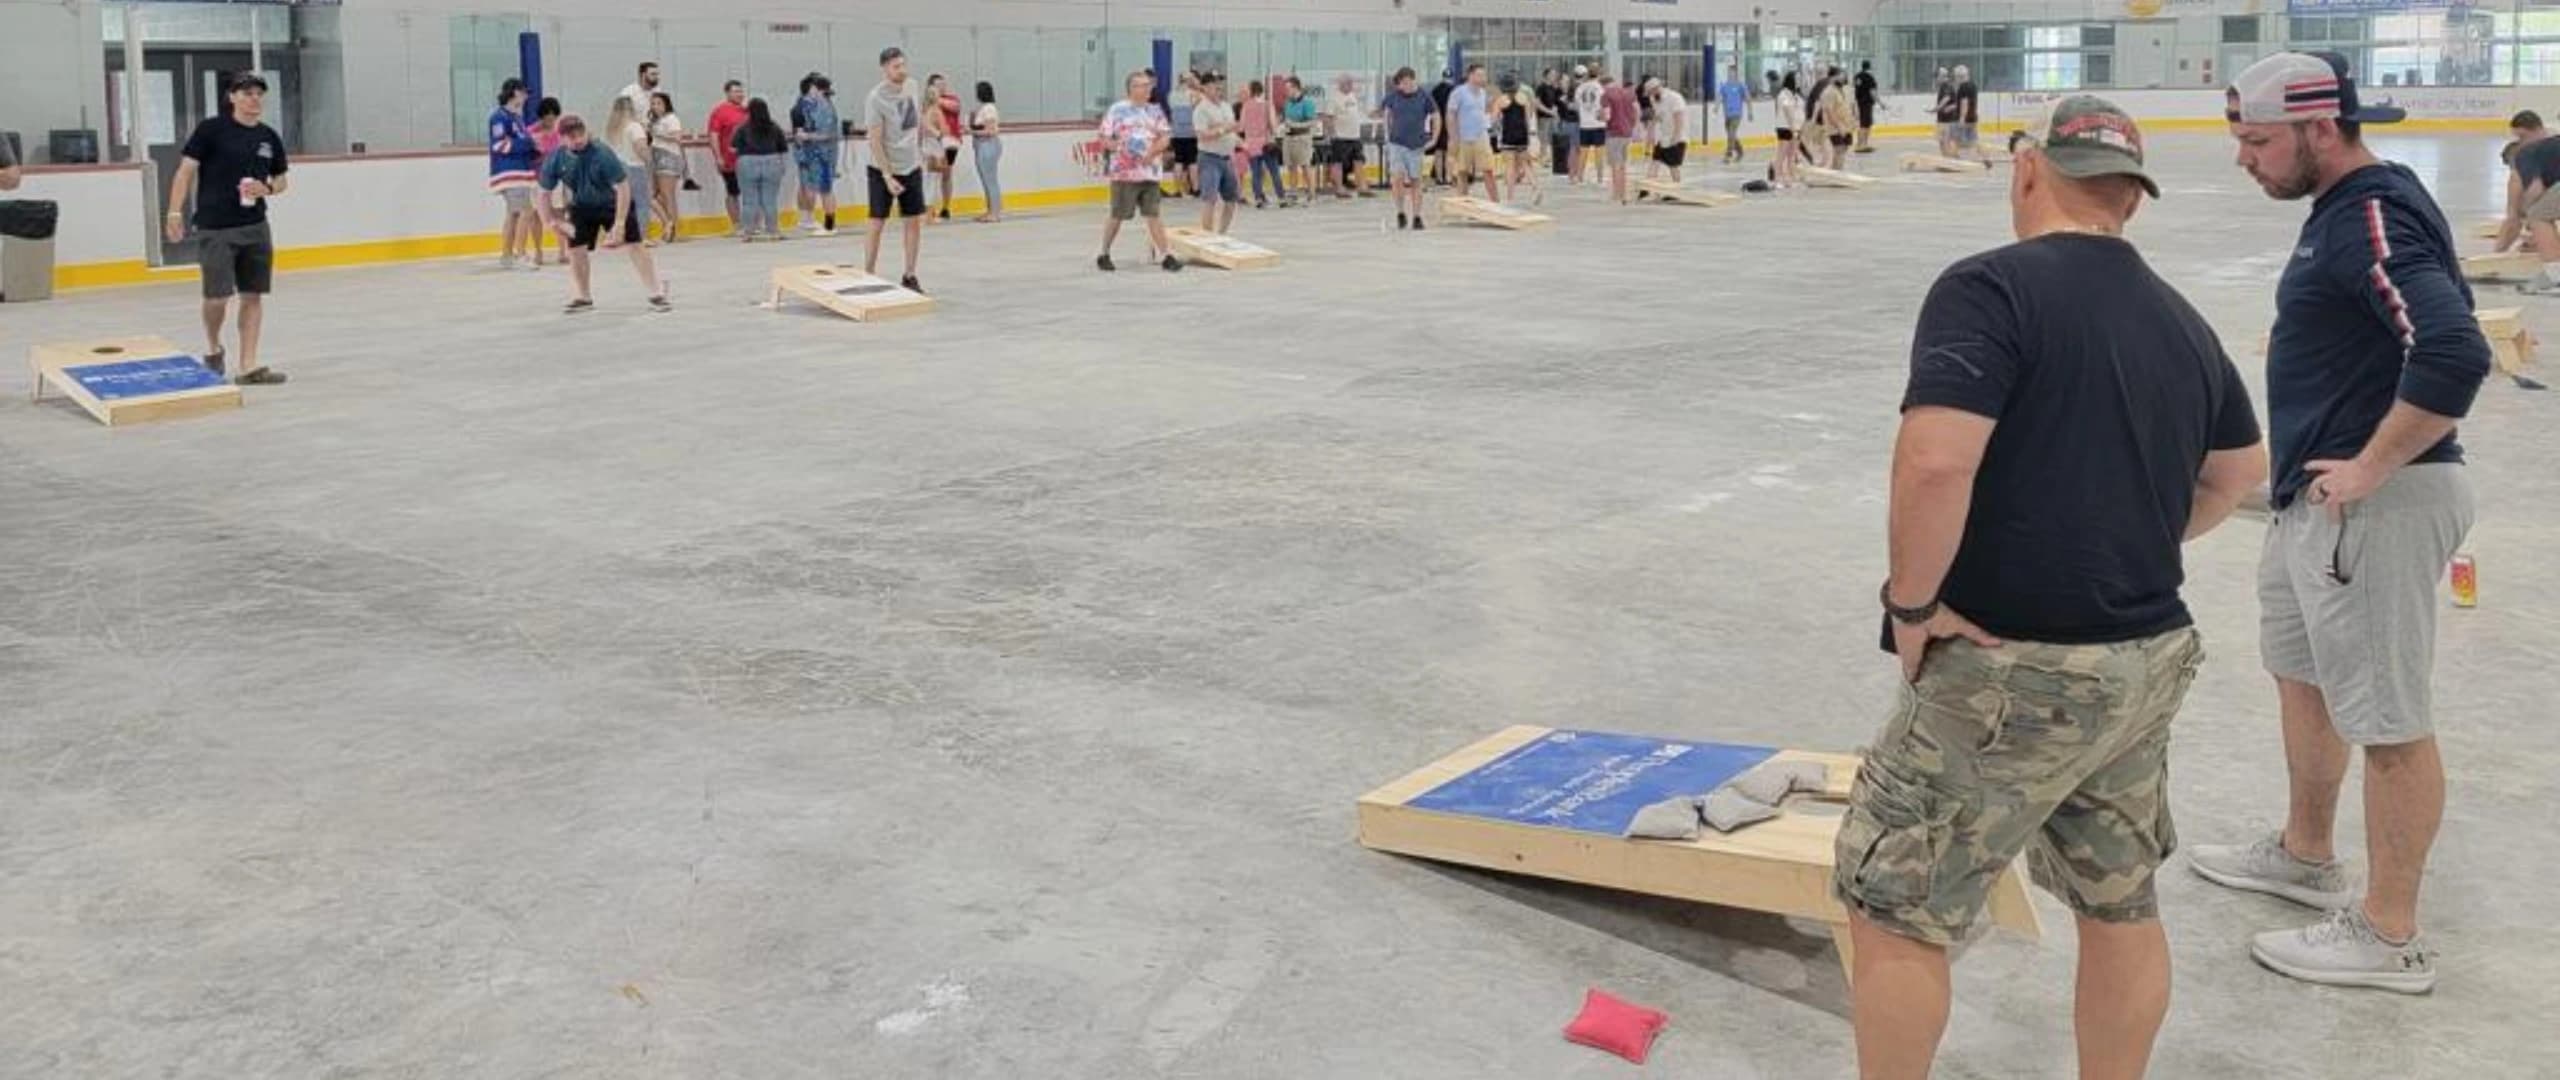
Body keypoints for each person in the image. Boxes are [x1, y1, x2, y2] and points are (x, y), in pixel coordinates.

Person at [1847, 93, 2268, 1080]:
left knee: (1895, 903)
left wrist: (1911, 605)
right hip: (2145, 660)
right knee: (2118, 901)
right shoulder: (2179, 319)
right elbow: (2238, 474)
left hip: (2011, 669)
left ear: (2027, 171)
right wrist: (2125, 534)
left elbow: (1936, 462)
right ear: (2132, 200)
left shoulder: (1988, 289)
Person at [2192, 50, 2493, 996]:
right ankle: (2306, 851)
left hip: (2378, 510)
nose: (2244, 158)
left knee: (2390, 721)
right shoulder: (2340, 212)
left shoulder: (2372, 212)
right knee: (2304, 680)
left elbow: (2453, 351)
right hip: (2316, 511)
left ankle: (2390, 933)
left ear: (2320, 129)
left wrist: (2370, 465)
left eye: (2256, 140)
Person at [164, 72, 289, 385]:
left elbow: (282, 180)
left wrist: (268, 190)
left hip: (255, 227)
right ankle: (213, 346)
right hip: (215, 227)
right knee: (217, 298)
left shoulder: (269, 137)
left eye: (259, 94)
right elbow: (184, 172)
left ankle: (248, 365)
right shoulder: (211, 130)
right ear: (232, 97)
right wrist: (174, 212)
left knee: (253, 295)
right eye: (246, 93)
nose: (254, 99)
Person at [536, 113, 667, 314]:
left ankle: (656, 292)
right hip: (581, 206)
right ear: (562, 139)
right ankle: (583, 296)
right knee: (576, 248)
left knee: (635, 245)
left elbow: (623, 187)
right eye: (572, 137)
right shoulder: (556, 158)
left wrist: (620, 222)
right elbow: (543, 193)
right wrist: (549, 221)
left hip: (613, 203)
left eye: (581, 134)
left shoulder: (602, 153)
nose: (578, 139)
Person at [1096, 68, 1181, 273]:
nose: (1148, 89)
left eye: (1148, 85)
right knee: (1118, 214)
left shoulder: (1154, 111)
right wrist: (1119, 148)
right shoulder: (1117, 110)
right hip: (1125, 174)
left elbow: (1165, 136)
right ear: (1132, 88)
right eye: (1143, 85)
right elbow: (1104, 137)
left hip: (1149, 172)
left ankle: (1166, 255)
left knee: (1153, 214)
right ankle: (1104, 252)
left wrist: (1152, 152)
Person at [864, 48, 927, 292]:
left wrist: (920, 151)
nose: (901, 71)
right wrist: (887, 175)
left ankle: (910, 274)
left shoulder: (912, 86)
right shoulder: (875, 98)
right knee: (877, 222)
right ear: (885, 69)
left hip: (911, 164)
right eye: (896, 67)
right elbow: (875, 140)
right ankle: (868, 273)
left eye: (903, 65)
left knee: (912, 221)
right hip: (883, 167)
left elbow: (914, 123)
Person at [2492, 109, 2560, 290]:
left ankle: (2555, 276)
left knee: (2538, 215)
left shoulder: (2524, 156)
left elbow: (2514, 217)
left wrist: (2497, 254)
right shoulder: (2551, 144)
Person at [487, 77, 541, 271]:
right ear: (515, 92)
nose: (526, 97)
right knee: (525, 211)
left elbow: (520, 142)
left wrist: (533, 148)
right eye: (524, 92)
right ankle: (520, 255)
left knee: (513, 214)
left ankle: (507, 255)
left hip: (521, 170)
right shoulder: (499, 117)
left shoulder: (517, 117)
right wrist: (527, 144)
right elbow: (500, 144)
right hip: (510, 172)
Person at [1379, 66, 1438, 231]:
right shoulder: (1393, 96)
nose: (1405, 86)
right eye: (1401, 83)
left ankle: (1417, 216)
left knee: (1415, 180)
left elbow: (1435, 115)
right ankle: (1400, 212)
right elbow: (1385, 113)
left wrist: (1434, 137)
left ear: (1413, 80)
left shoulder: (1424, 96)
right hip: (1397, 143)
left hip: (1416, 145)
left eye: (1407, 82)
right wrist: (1387, 135)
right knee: (1397, 178)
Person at [730, 97, 791, 241]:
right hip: (771, 162)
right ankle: (773, 231)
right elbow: (783, 148)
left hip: (747, 162)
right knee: (769, 200)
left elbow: (732, 147)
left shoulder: (743, 127)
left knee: (749, 200)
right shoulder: (774, 127)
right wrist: (782, 166)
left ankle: (748, 233)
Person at [790, 73, 841, 236]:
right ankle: (820, 222)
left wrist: (807, 136)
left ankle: (829, 226)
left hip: (823, 155)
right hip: (817, 154)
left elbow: (827, 133)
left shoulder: (824, 108)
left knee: (825, 190)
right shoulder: (819, 105)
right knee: (817, 188)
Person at [1192, 72, 1241, 235]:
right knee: (1210, 199)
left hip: (1227, 158)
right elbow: (1202, 135)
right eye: (1214, 84)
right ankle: (1207, 237)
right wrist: (1223, 129)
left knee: (1232, 199)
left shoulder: (1226, 106)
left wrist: (1238, 140)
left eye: (1220, 83)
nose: (1218, 87)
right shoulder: (1201, 109)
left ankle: (1221, 234)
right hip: (1209, 158)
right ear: (1204, 87)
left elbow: (1232, 129)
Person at [1445, 63, 1501, 203]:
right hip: (1464, 137)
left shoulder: (1483, 93)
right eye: (1479, 75)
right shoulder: (1459, 92)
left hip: (1481, 136)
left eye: (1484, 75)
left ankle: (1495, 202)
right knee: (1463, 172)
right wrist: (1453, 137)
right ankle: (1463, 202)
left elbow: (1483, 112)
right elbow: (1450, 114)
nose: (1483, 78)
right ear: (1470, 76)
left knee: (1488, 169)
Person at [603, 96, 654, 245]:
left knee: (619, 203)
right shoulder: (634, 127)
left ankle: (614, 235)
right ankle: (642, 236)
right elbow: (641, 148)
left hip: (615, 167)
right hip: (634, 167)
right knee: (641, 202)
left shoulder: (611, 128)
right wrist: (649, 161)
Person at [707, 80, 750, 233]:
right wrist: (718, 156)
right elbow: (714, 135)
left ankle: (751, 223)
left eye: (741, 91)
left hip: (748, 160)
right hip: (729, 161)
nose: (739, 94)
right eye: (736, 91)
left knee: (750, 192)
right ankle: (737, 224)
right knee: (733, 192)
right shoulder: (719, 112)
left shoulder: (747, 111)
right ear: (727, 93)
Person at [647, 92, 686, 244]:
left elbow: (677, 138)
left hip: (668, 156)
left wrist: (660, 135)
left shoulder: (671, 119)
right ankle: (668, 224)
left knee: (668, 195)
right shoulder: (655, 121)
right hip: (656, 157)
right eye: (653, 103)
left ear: (666, 104)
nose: (655, 106)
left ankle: (674, 230)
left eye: (659, 103)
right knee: (656, 195)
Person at [924, 73, 962, 222]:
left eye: (943, 84)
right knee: (931, 177)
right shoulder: (929, 107)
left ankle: (945, 208)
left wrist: (934, 98)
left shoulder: (950, 99)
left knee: (945, 174)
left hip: (950, 143)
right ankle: (929, 211)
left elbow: (954, 107)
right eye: (938, 84)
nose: (943, 87)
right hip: (933, 144)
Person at [1239, 79, 1283, 208]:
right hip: (1266, 142)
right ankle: (1281, 197)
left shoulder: (1246, 106)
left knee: (1256, 173)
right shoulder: (1267, 105)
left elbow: (1241, 127)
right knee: (1274, 171)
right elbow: (1274, 126)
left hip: (1251, 144)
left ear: (1251, 91)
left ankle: (1258, 198)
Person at [1326, 73, 1370, 198]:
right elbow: (1328, 118)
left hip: (1354, 135)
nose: (1351, 85)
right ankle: (1339, 188)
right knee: (1337, 162)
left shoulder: (1352, 96)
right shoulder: (1334, 98)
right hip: (1340, 136)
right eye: (1349, 83)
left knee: (1359, 160)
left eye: (1352, 83)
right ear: (1341, 84)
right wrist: (1332, 133)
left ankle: (1361, 186)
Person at [1600, 73, 1639, 204]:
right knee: (1622, 164)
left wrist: (1598, 116)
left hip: (1614, 133)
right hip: (1627, 133)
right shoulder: (1627, 93)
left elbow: (1607, 116)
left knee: (1615, 165)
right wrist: (1632, 125)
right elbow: (1636, 110)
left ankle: (1616, 194)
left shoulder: (1606, 95)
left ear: (1603, 85)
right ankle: (1624, 193)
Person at [1497, 73, 1537, 195]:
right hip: (1522, 134)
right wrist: (1529, 134)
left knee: (1510, 165)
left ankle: (1510, 194)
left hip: (1508, 133)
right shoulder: (1523, 97)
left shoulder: (1501, 100)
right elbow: (1528, 117)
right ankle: (1535, 187)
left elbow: (1495, 118)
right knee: (1525, 163)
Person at [970, 81, 1004, 223]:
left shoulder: (989, 109)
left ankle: (995, 212)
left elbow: (990, 130)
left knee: (991, 179)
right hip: (982, 145)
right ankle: (990, 210)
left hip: (988, 145)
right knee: (986, 179)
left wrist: (971, 131)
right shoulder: (984, 109)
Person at [1281, 77, 1318, 203]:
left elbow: (1312, 121)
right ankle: (1293, 193)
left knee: (1305, 166)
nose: (1286, 91)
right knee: (1291, 167)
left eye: (1288, 88)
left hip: (1302, 138)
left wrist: (1296, 125)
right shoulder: (1288, 103)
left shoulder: (1307, 103)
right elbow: (1286, 119)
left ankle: (1311, 194)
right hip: (1289, 137)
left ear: (1296, 88)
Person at [1647, 77, 1688, 187]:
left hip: (1676, 138)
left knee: (1673, 165)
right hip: (1663, 137)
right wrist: (1651, 131)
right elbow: (1657, 115)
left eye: (1651, 91)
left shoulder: (1674, 98)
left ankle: (1676, 189)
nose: (1650, 95)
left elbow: (1679, 118)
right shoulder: (1654, 99)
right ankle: (1647, 188)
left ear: (1657, 88)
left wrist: (1676, 137)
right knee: (1655, 161)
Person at [1168, 70, 1201, 198]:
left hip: (1176, 132)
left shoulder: (1172, 95)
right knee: (1193, 162)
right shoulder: (1193, 94)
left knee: (1178, 161)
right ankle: (1196, 188)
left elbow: (1172, 111)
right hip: (1191, 132)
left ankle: (1177, 190)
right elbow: (1198, 104)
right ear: (1188, 81)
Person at [1573, 65, 1606, 185]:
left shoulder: (1580, 88)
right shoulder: (1600, 88)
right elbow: (1603, 106)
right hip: (1598, 124)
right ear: (1599, 74)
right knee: (1599, 153)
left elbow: (1577, 106)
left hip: (1585, 124)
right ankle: (1600, 179)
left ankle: (1580, 177)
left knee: (1583, 152)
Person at [1820, 67, 1857, 170]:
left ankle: (1838, 171)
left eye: (1843, 75)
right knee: (1839, 149)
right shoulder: (1828, 92)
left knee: (1843, 149)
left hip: (1847, 125)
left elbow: (1849, 106)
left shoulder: (1844, 90)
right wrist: (1839, 126)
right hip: (1835, 127)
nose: (1843, 77)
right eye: (1841, 75)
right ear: (1833, 77)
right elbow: (1829, 112)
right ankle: (1836, 172)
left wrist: (1853, 121)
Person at [1773, 72, 1805, 188]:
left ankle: (1790, 178)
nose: (1799, 81)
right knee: (1782, 155)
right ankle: (1777, 178)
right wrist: (1793, 129)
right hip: (1785, 128)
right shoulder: (1784, 94)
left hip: (1797, 127)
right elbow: (1788, 112)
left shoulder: (1796, 95)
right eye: (1797, 79)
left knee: (1792, 155)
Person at [1536, 69, 1570, 178]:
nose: (1554, 76)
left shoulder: (1553, 88)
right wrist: (1548, 111)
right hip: (1544, 117)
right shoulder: (1541, 87)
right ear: (1546, 76)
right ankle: (1543, 160)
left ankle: (1550, 159)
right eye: (1552, 75)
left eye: (1555, 75)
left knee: (1553, 140)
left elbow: (1558, 101)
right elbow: (1537, 103)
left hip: (1553, 117)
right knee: (1544, 139)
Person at [1718, 64, 1752, 164]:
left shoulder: (1740, 85)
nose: (1730, 74)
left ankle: (1728, 155)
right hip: (1727, 114)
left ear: (1736, 73)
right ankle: (1740, 151)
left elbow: (1748, 98)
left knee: (1731, 133)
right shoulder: (1724, 85)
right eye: (1729, 72)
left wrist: (1750, 112)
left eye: (1732, 72)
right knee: (1731, 135)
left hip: (1737, 114)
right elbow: (1720, 96)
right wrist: (1716, 107)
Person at [1954, 65, 1982, 160]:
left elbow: (1964, 103)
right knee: (1972, 140)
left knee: (1961, 141)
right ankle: (1975, 157)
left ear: (1960, 76)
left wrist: (1962, 118)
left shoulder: (1963, 87)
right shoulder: (1973, 85)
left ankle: (1964, 160)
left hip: (1965, 119)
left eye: (1956, 77)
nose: (1956, 79)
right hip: (1973, 117)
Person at [1854, 60, 1880, 152]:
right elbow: (1872, 92)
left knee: (1862, 124)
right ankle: (1863, 144)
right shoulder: (1869, 77)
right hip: (1867, 103)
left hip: (1859, 102)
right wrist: (1880, 103)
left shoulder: (1857, 76)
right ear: (1870, 67)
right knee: (1866, 125)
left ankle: (1859, 144)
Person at [1934, 67, 1960, 158]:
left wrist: (1936, 108)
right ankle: (1946, 158)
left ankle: (1950, 159)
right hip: (1943, 119)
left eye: (1937, 76)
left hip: (1948, 120)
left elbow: (1946, 98)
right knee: (1942, 141)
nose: (1936, 79)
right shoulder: (1944, 86)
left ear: (1942, 76)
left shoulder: (1947, 86)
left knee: (1946, 141)